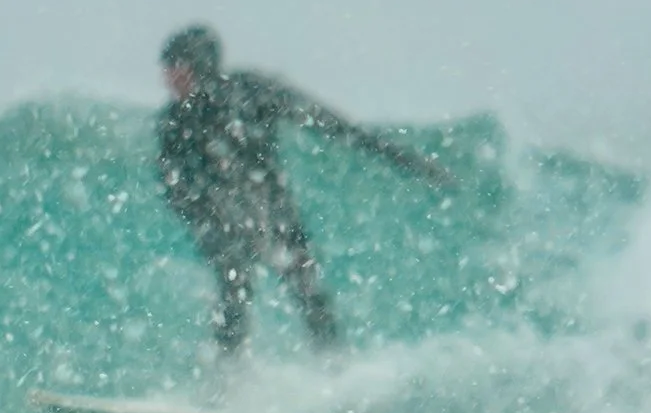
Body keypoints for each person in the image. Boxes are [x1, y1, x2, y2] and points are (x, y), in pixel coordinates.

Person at [155, 23, 454, 355]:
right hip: (224, 217)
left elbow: (335, 126)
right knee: (234, 286)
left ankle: (333, 367)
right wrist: (206, 219)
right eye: (166, 68)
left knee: (306, 290)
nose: (167, 77)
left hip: (273, 210)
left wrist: (407, 161)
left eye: (174, 66)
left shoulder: (250, 91)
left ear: (197, 65)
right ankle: (229, 382)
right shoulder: (175, 121)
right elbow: (174, 186)